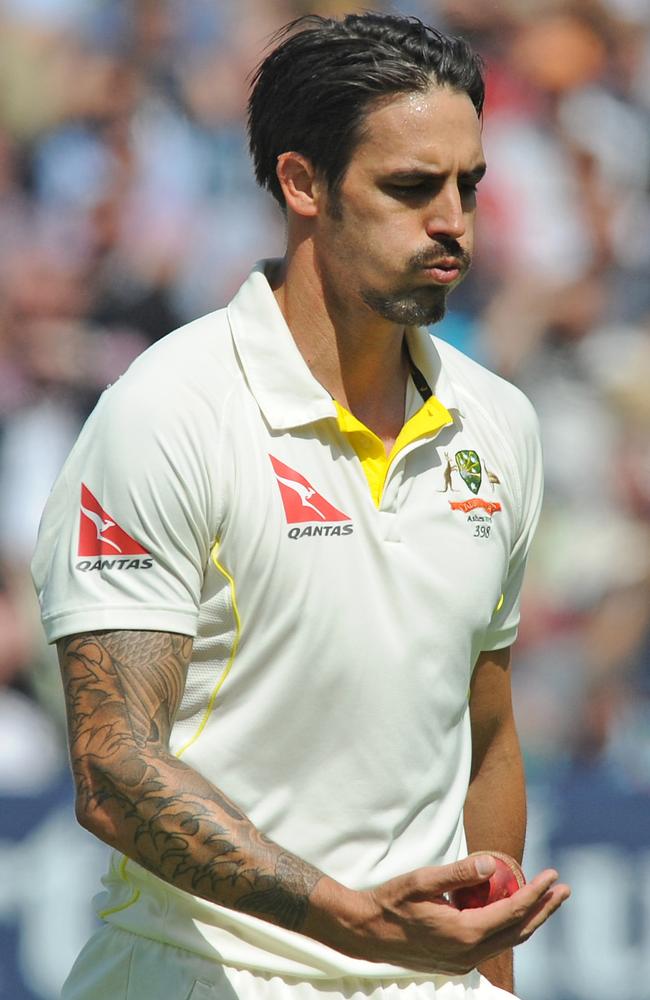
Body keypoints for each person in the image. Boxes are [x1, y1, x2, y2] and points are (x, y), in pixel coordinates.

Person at [31, 12, 570, 1000]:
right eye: (410, 187)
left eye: (468, 186)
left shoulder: (499, 423)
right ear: (301, 183)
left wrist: (485, 978)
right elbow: (113, 766)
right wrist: (350, 920)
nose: (451, 220)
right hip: (197, 973)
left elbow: (485, 735)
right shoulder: (165, 412)